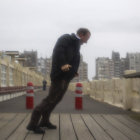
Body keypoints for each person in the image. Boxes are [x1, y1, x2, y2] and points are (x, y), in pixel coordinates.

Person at [26, 28, 91, 134]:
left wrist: (74, 71)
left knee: (56, 99)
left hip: (67, 77)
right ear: (81, 34)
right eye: (87, 38)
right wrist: (63, 64)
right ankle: (33, 124)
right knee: (50, 99)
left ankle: (45, 121)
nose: (87, 41)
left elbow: (74, 59)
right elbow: (58, 51)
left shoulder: (76, 45)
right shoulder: (66, 38)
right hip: (59, 75)